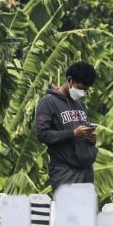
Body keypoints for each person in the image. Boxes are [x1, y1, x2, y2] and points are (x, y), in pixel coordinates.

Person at [35, 61, 98, 191]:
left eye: (85, 89)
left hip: (86, 172)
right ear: (69, 80)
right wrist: (73, 134)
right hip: (65, 172)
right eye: (80, 88)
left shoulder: (80, 104)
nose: (82, 92)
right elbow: (42, 134)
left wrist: (90, 138)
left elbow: (81, 133)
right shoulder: (48, 102)